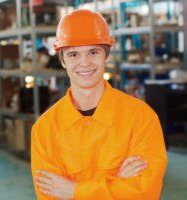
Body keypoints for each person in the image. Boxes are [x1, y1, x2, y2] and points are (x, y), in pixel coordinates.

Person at [31, 9, 167, 200]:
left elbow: (144, 192)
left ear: (106, 55)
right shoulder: (45, 129)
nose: (84, 63)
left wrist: (74, 191)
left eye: (93, 52)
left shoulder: (141, 117)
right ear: (62, 60)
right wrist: (117, 184)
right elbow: (50, 196)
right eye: (73, 55)